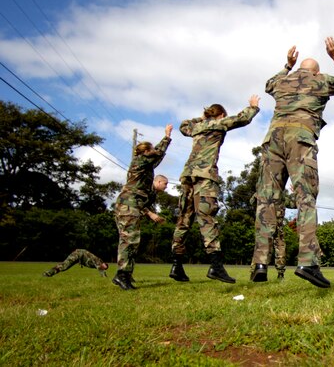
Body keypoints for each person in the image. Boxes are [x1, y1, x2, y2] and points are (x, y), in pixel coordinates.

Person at [250, 37, 334, 288]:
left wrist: (287, 66)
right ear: (317, 72)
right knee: (305, 198)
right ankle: (307, 262)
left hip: (272, 141)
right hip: (300, 139)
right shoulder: (319, 80)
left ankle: (260, 263)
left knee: (266, 200)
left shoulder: (282, 80)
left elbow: (268, 85)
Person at [169, 95, 260, 284]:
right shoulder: (219, 123)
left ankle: (176, 265)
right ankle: (215, 266)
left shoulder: (195, 127)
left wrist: (202, 118)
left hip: (187, 176)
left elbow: (183, 125)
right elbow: (242, 119)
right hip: (204, 177)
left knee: (183, 220)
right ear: (220, 115)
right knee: (207, 219)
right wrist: (252, 107)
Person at [112, 124, 172, 290]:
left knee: (133, 242)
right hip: (128, 206)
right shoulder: (139, 161)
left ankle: (126, 274)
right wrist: (167, 137)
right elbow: (158, 153)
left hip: (133, 207)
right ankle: (121, 275)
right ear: (145, 152)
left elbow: (158, 158)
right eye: (150, 150)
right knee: (128, 241)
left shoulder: (146, 165)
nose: (153, 152)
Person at [249, 186, 296, 281]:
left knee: (261, 247)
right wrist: (295, 193)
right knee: (280, 248)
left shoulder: (262, 190)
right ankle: (280, 274)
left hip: (265, 225)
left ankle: (256, 270)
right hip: (278, 226)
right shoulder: (281, 195)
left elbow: (252, 202)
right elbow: (294, 204)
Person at [43, 249, 108, 277]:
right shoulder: (98, 261)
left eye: (105, 268)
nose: (104, 268)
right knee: (64, 266)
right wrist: (104, 275)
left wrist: (104, 275)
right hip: (78, 254)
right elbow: (100, 269)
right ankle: (48, 273)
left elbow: (102, 272)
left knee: (64, 267)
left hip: (78, 257)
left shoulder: (100, 265)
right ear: (103, 263)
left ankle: (49, 273)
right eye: (105, 266)